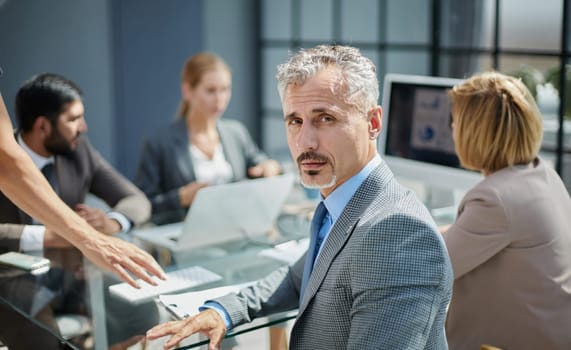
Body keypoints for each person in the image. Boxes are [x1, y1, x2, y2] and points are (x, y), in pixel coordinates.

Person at [146, 44, 453, 350]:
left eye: (325, 119)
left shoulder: (400, 235)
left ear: (372, 123)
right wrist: (223, 311)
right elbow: (301, 276)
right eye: (295, 121)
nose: (306, 141)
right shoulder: (343, 205)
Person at [442, 71, 571, 349]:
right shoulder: (542, 174)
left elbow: (432, 266)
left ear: (474, 131)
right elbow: (458, 237)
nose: (452, 129)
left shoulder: (495, 200)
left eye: (456, 121)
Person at [0, 73, 151, 251]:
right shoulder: (4, 160)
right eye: (73, 119)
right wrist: (59, 234)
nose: (84, 127)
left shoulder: (79, 151)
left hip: (69, 274)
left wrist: (112, 222)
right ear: (42, 127)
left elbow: (136, 200)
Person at [135, 52, 281, 225]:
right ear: (188, 91)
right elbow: (141, 205)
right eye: (211, 91)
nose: (220, 99)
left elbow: (258, 161)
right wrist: (181, 198)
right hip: (186, 237)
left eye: (225, 89)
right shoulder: (158, 142)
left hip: (237, 231)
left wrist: (270, 167)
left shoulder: (236, 132)